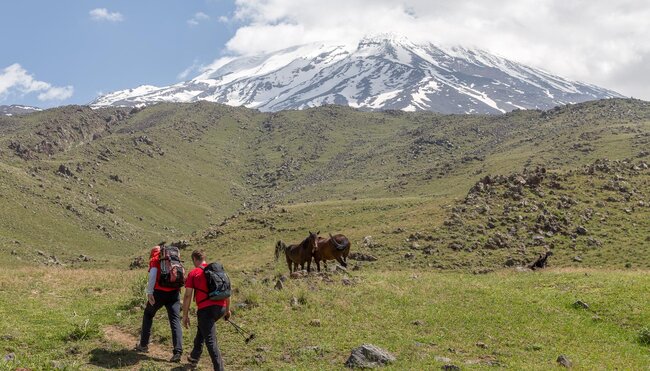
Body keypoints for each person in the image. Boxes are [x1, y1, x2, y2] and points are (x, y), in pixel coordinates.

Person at [182, 249, 231, 370]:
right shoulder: (217, 271)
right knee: (203, 328)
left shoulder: (194, 273)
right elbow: (227, 291)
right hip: (221, 308)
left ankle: (219, 368)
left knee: (210, 340)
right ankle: (194, 356)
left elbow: (188, 295)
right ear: (204, 258)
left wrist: (185, 315)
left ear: (194, 259)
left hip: (206, 310)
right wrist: (227, 310)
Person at [135, 244, 183, 362]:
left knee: (148, 314)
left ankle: (143, 345)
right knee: (175, 320)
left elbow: (152, 276)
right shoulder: (173, 258)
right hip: (174, 293)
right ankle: (178, 351)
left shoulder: (155, 259)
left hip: (159, 293)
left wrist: (150, 293)